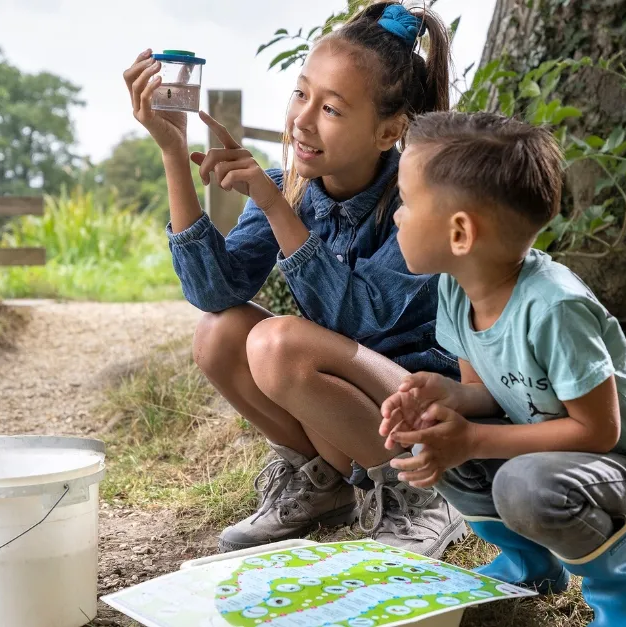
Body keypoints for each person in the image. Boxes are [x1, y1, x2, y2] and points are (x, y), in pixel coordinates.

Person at [122, 2, 466, 558]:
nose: (302, 120)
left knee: (278, 343)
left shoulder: (415, 203)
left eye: (331, 108)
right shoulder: (289, 189)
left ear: (389, 131)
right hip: (352, 419)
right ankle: (324, 486)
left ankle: (421, 499)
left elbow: (361, 318)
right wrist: (171, 150)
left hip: (426, 417)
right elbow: (214, 292)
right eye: (301, 94)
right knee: (219, 332)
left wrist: (274, 206)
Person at [379, 111, 626, 626]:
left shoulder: (554, 307)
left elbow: (598, 430)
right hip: (558, 456)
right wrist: (442, 397)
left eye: (406, 202)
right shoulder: (454, 287)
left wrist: (473, 441)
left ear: (460, 232)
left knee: (523, 484)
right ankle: (532, 567)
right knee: (434, 438)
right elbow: (486, 392)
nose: (397, 216)